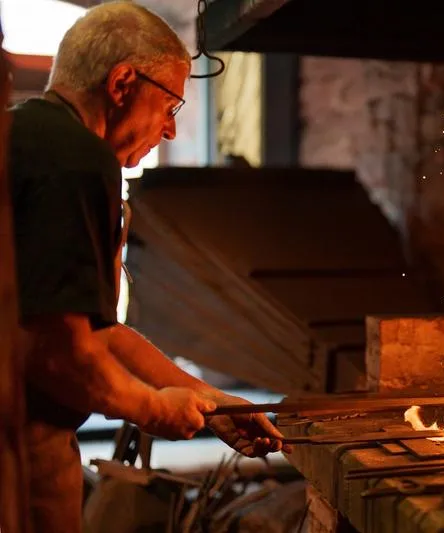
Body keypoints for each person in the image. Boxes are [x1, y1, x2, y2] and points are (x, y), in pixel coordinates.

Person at [9, 3, 289, 532]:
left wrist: (207, 400)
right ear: (122, 84)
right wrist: (152, 408)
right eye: (169, 105)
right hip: (16, 451)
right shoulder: (75, 159)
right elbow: (63, 355)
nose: (171, 131)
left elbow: (96, 333)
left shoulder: (28, 137)